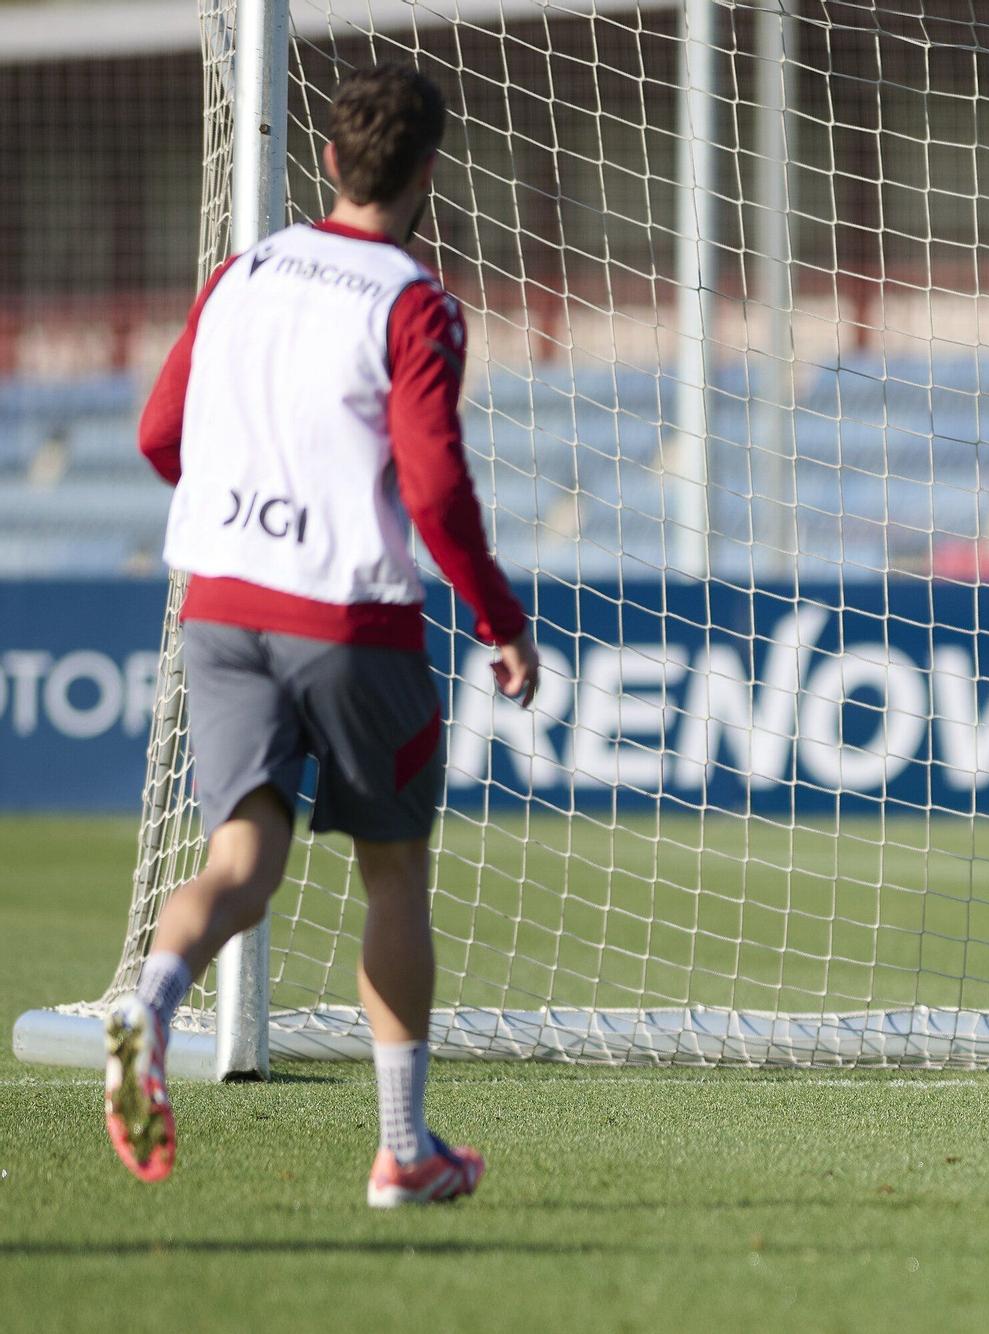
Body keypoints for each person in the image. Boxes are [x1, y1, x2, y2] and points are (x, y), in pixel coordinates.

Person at [105, 64, 539, 1208]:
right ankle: (402, 1146)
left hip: (223, 604)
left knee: (239, 860)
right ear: (428, 176)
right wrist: (500, 618)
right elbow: (437, 491)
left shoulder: (239, 274)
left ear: (333, 163)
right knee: (391, 868)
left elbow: (161, 433)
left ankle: (144, 1006)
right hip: (349, 616)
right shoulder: (410, 299)